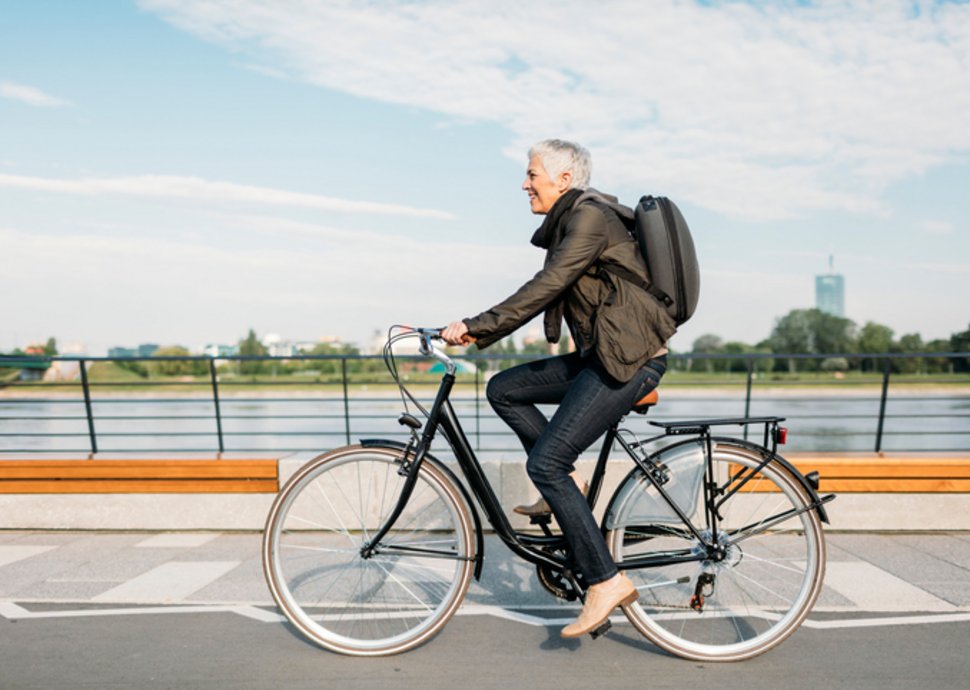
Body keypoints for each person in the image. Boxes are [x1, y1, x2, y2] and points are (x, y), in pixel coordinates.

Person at [441, 139, 676, 639]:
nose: (524, 183)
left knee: (543, 463)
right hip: (604, 356)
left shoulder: (589, 218)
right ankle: (569, 489)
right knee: (504, 389)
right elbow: (549, 283)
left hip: (629, 362)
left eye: (532, 174)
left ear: (564, 180)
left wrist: (476, 327)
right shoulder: (573, 220)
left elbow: (548, 285)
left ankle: (605, 581)